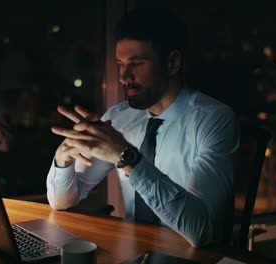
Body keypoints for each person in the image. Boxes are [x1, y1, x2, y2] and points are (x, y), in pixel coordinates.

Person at [46, 8, 239, 248]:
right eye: (120, 64)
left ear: (172, 63)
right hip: (130, 251)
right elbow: (62, 202)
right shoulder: (119, 117)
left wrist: (126, 156)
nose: (124, 76)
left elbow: (201, 232)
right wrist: (62, 161)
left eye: (137, 63)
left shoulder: (214, 119)